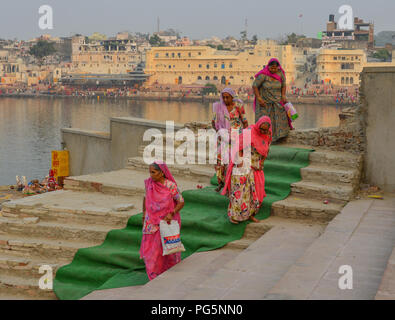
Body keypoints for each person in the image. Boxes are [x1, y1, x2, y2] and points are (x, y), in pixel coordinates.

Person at [222, 116, 272, 224]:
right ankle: (234, 216)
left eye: (265, 130)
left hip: (256, 168)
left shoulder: (267, 134)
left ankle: (250, 214)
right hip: (243, 166)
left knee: (254, 194)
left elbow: (266, 149)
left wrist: (262, 161)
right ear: (258, 125)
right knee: (239, 192)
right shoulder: (249, 132)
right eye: (261, 129)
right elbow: (238, 146)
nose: (262, 131)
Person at [140, 161, 185, 280]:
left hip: (165, 221)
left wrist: (172, 213)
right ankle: (153, 274)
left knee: (165, 249)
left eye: (153, 172)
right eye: (150, 172)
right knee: (151, 251)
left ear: (161, 173)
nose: (151, 175)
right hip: (151, 222)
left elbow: (181, 201)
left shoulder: (170, 186)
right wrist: (144, 214)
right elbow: (145, 198)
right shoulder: (149, 184)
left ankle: (166, 271)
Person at [212, 88, 248, 192]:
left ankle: (232, 184)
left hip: (236, 137)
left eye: (227, 97)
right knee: (220, 162)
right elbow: (213, 123)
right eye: (223, 97)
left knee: (234, 161)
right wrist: (219, 132)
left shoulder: (238, 106)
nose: (225, 99)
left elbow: (244, 121)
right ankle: (221, 183)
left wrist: (244, 136)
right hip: (222, 138)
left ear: (232, 97)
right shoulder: (217, 107)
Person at [252, 58, 290, 143]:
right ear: (268, 67)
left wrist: (283, 95)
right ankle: (262, 140)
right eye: (271, 68)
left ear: (278, 67)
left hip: (277, 101)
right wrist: (259, 98)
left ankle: (277, 139)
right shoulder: (263, 75)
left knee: (279, 120)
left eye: (275, 68)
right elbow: (255, 86)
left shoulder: (280, 74)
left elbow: (283, 85)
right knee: (264, 121)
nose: (273, 70)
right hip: (264, 102)